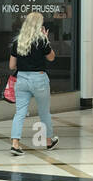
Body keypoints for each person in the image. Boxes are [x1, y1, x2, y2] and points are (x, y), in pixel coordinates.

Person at [8, 11, 59, 156]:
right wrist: (46, 39)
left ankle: (15, 144)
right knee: (44, 112)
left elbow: (12, 66)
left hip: (22, 79)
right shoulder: (41, 41)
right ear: (39, 25)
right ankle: (49, 142)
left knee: (20, 112)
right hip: (39, 79)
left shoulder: (18, 42)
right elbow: (51, 58)